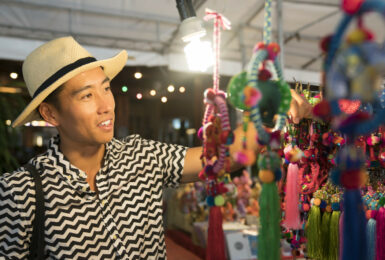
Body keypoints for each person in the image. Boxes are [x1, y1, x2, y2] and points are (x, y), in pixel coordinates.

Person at [0, 36, 312, 259]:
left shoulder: (140, 156)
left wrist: (265, 116)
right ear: (50, 113)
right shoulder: (21, 192)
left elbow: (221, 158)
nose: (105, 106)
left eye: (105, 89)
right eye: (86, 96)